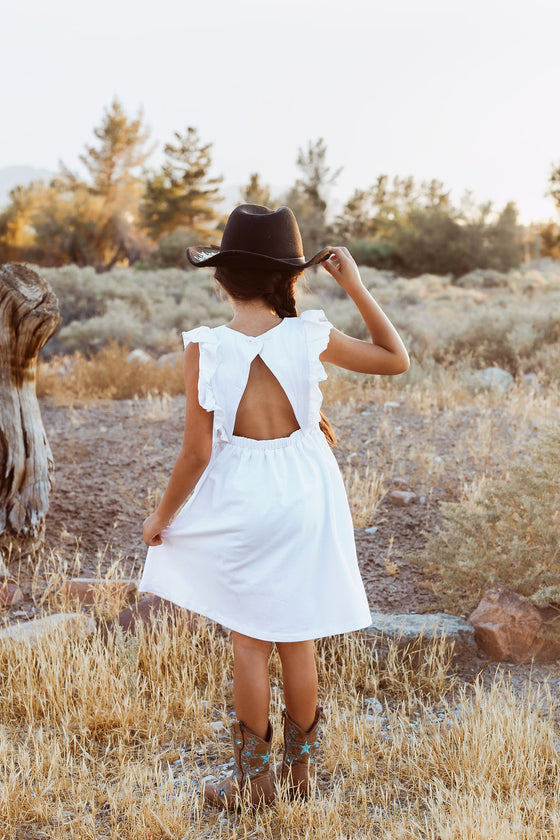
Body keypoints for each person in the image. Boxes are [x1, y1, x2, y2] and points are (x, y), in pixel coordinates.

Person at [139, 204, 409, 809]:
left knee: (249, 641)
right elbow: (396, 359)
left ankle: (255, 782)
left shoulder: (205, 347)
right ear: (290, 279)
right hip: (308, 491)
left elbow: (196, 452)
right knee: (299, 638)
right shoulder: (309, 333)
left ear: (222, 278)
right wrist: (356, 286)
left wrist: (162, 519)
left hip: (245, 495)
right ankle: (301, 775)